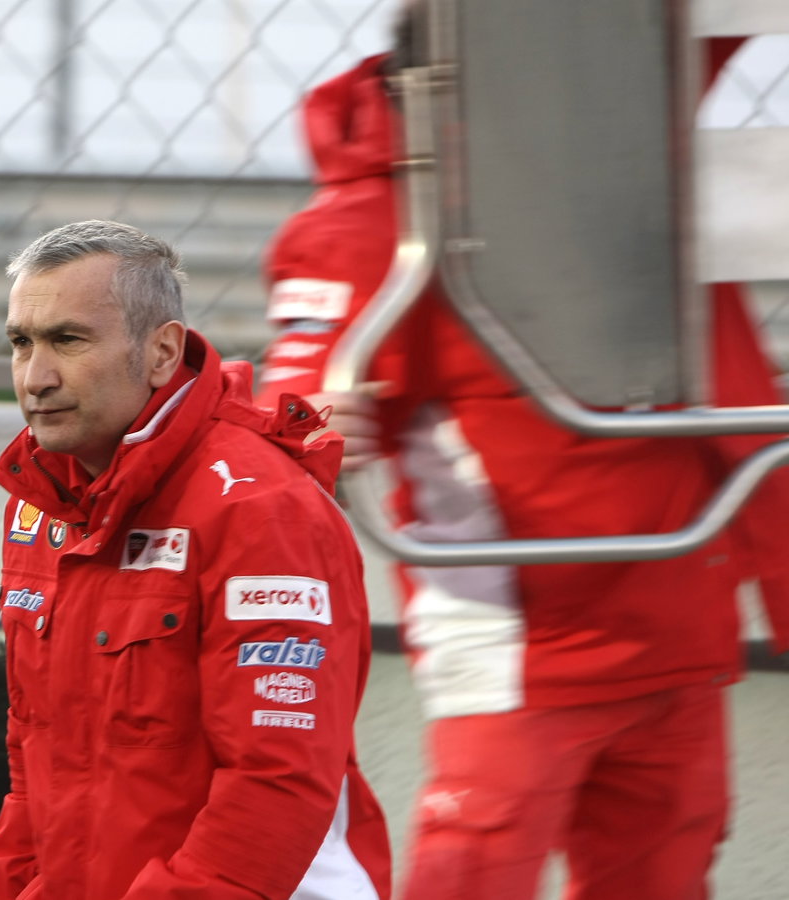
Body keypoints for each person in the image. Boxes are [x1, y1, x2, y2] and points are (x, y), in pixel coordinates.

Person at [255, 13, 789, 899]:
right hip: (518, 644)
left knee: (666, 871)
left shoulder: (624, 126)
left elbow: (698, 30)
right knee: (475, 870)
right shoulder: (377, 216)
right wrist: (313, 422)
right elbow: (295, 413)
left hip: (681, 622)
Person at [0, 219, 393, 900]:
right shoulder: (42, 503)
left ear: (162, 352)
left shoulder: (259, 509)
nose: (37, 377)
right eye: (21, 343)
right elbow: (36, 774)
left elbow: (276, 786)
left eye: (68, 341)